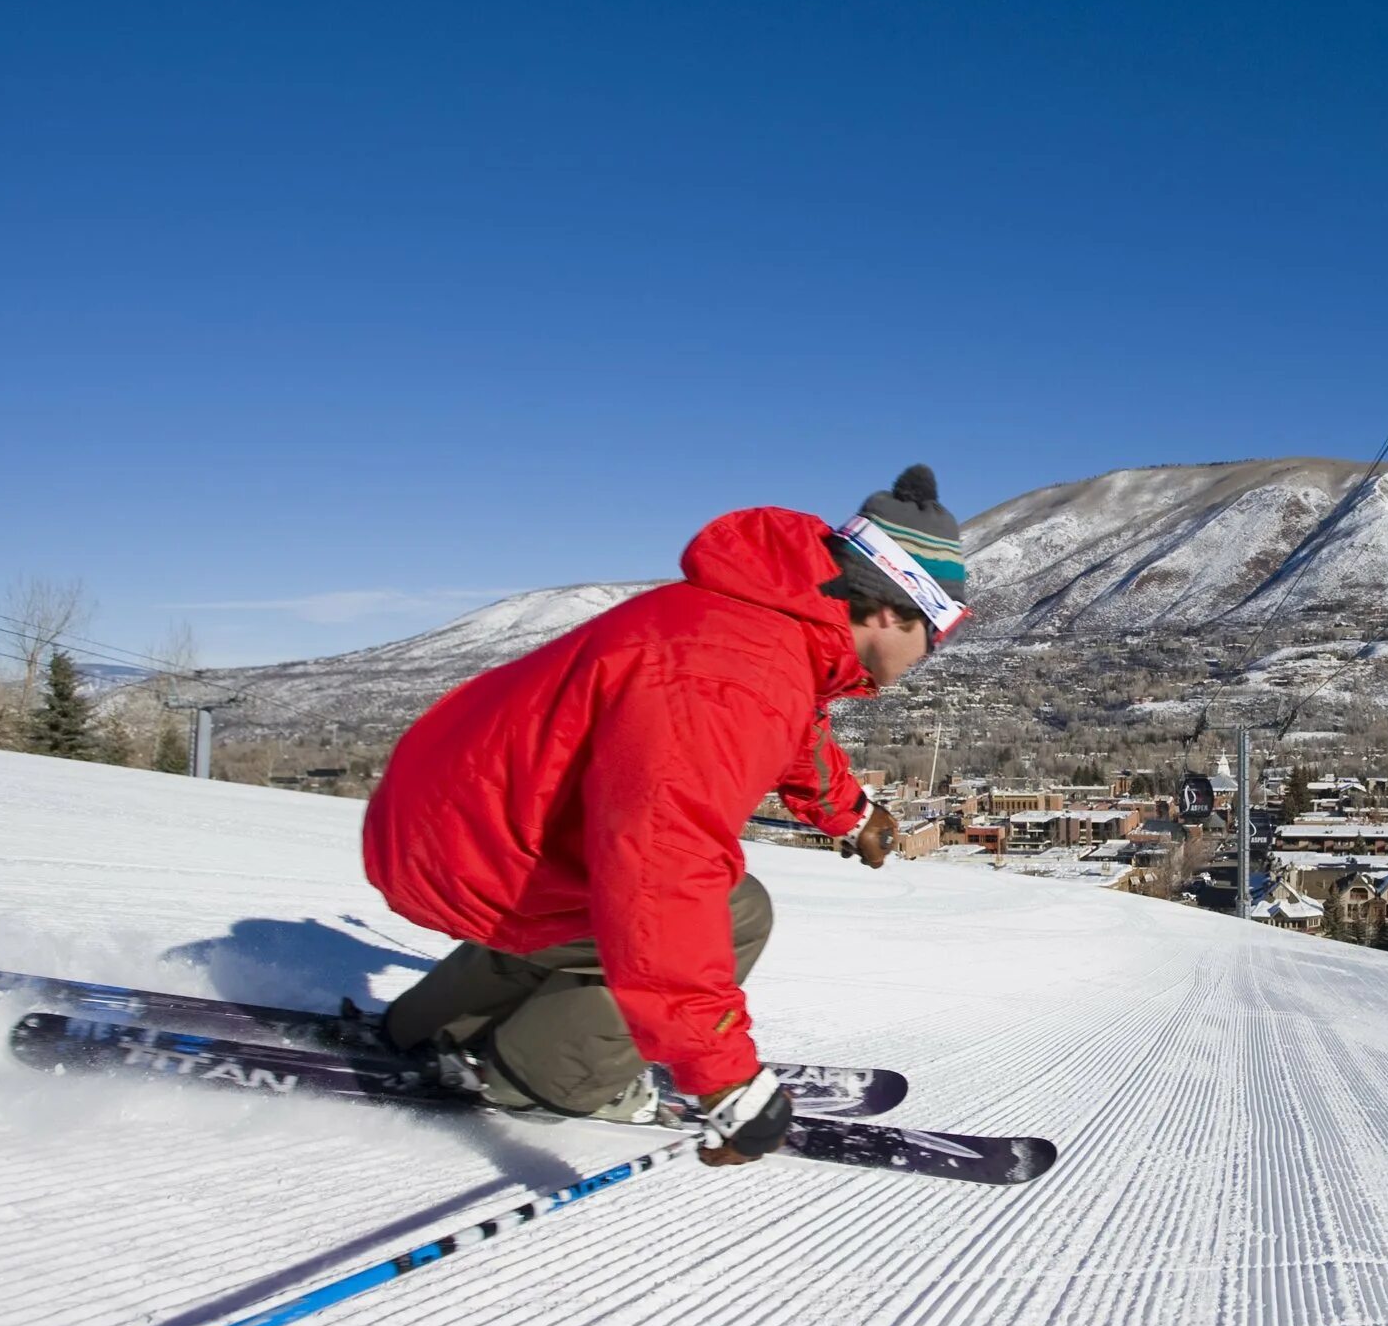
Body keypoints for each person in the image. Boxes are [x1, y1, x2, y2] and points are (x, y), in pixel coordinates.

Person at [360, 467, 968, 1162]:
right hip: (471, 845)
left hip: (460, 821)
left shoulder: (764, 629)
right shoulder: (733, 674)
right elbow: (663, 881)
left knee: (593, 903)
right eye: (937, 631)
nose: (930, 654)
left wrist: (850, 812)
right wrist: (725, 1083)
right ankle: (538, 1076)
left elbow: (793, 733)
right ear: (892, 610)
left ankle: (431, 1021)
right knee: (733, 912)